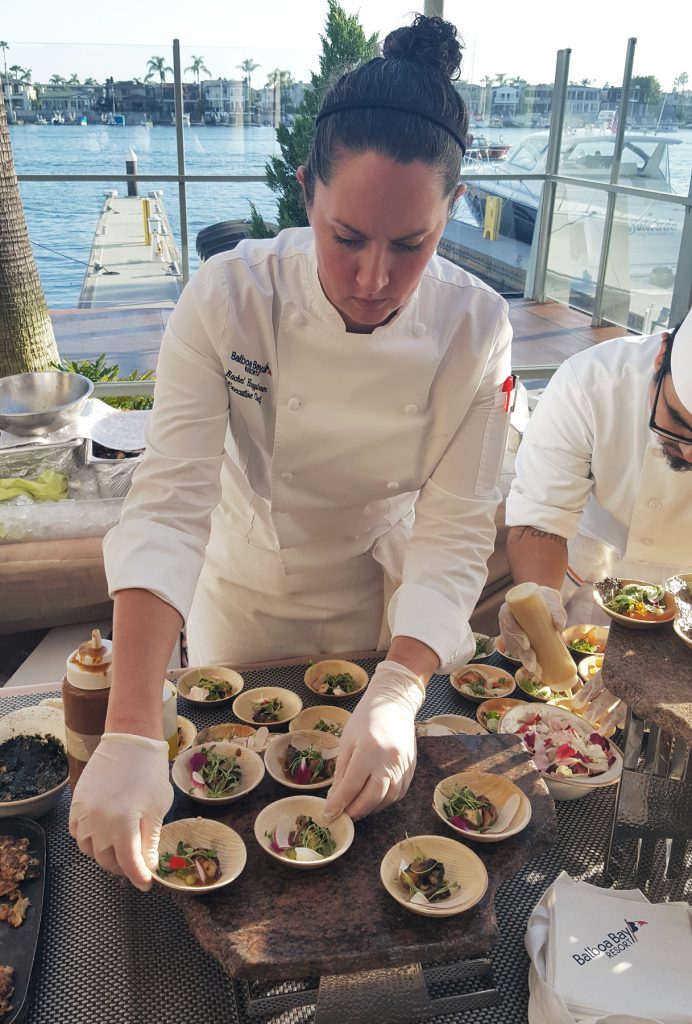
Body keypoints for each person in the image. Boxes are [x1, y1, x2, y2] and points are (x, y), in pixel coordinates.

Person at [69, 14, 513, 890]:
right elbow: (169, 504)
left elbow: (457, 526)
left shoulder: (477, 330)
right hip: (243, 594)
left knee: (346, 844)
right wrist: (128, 729)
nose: (375, 278)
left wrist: (399, 688)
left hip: (379, 608)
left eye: (411, 245)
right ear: (306, 192)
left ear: (451, 212)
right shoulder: (227, 297)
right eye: (347, 237)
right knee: (230, 819)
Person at [499, 309, 692, 726]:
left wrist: (667, 665)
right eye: (677, 422)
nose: (690, 453)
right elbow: (542, 516)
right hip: (587, 579)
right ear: (661, 359)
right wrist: (537, 596)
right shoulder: (591, 383)